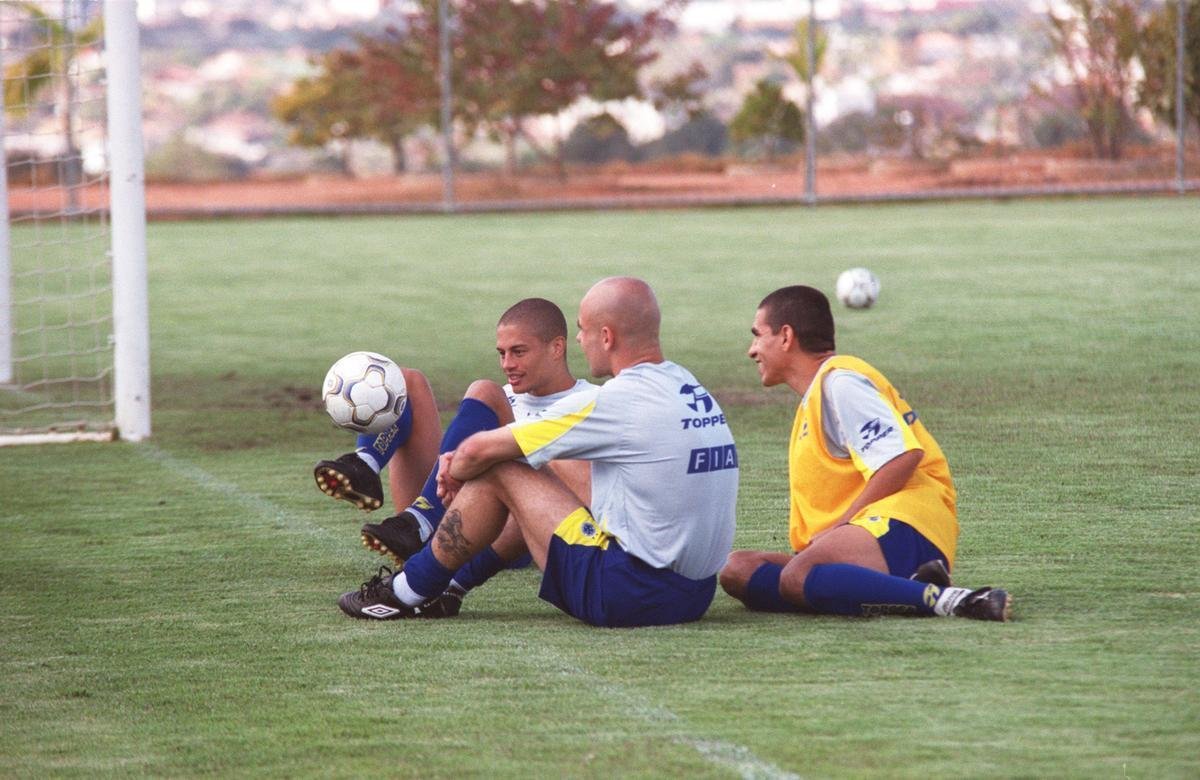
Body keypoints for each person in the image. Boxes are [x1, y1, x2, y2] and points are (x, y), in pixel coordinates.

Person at [337, 276, 739, 627]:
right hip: (694, 595)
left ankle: (405, 593)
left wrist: (457, 464)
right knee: (524, 457)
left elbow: (482, 449)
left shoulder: (616, 399)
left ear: (607, 337)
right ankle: (446, 581)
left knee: (501, 466)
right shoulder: (689, 386)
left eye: (583, 330)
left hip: (628, 593)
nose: (580, 340)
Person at [717, 285, 1010, 621]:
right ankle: (893, 589)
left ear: (786, 336)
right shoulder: (817, 394)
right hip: (871, 533)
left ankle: (951, 600)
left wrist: (843, 525)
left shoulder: (840, 383)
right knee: (738, 570)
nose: (752, 350)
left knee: (797, 576)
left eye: (757, 335)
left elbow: (901, 457)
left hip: (909, 523)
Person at [315, 297, 594, 612]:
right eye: (502, 353)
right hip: (444, 512)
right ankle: (366, 465)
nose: (507, 364)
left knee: (483, 390)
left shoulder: (591, 403)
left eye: (519, 352)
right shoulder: (502, 398)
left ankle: (422, 520)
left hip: (507, 530)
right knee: (407, 381)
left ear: (557, 348)